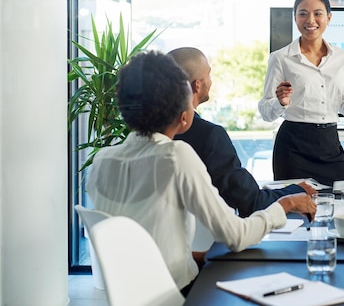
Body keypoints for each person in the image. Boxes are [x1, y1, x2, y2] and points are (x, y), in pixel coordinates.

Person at [86, 51, 316, 295]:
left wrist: (196, 255)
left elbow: (141, 245)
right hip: (177, 295)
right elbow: (236, 236)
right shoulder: (176, 156)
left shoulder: (102, 161)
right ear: (183, 116)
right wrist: (287, 204)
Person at [258, 0, 344, 186]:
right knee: (296, 209)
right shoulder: (280, 58)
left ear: (329, 17)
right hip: (293, 147)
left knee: (343, 201)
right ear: (295, 18)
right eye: (303, 13)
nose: (310, 20)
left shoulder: (342, 58)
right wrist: (280, 102)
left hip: (329, 144)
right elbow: (266, 112)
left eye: (317, 13)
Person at [168, 47, 316, 218]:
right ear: (197, 85)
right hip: (212, 242)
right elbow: (252, 202)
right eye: (209, 74)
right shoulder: (209, 135)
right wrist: (298, 190)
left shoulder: (145, 134)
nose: (211, 80)